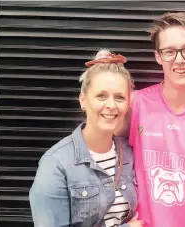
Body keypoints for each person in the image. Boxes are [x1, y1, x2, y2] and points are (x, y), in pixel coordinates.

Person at [117, 12, 185, 227]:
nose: (179, 59)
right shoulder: (134, 105)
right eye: (169, 51)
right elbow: (101, 157)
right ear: (158, 56)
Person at [29, 50, 144, 227]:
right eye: (101, 96)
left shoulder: (130, 154)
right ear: (83, 100)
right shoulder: (56, 164)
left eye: (119, 97)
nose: (111, 105)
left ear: (128, 103)